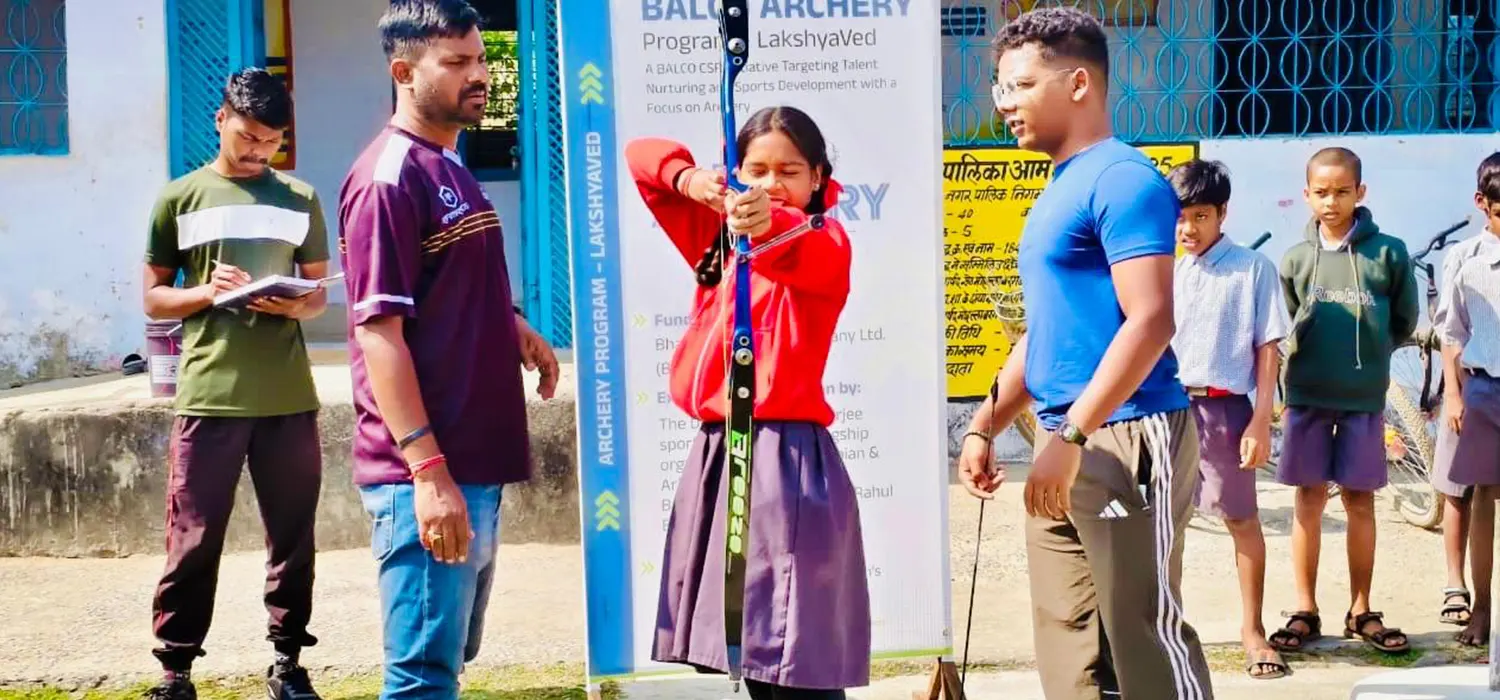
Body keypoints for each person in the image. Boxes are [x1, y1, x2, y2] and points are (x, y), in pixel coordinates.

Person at [957, 8, 1214, 700]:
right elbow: (1046, 332)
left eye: (1021, 85)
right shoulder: (1060, 186)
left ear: (1078, 84)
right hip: (1064, 435)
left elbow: (1151, 319)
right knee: (1068, 640)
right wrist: (984, 424)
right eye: (1000, 86)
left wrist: (1073, 435)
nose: (1004, 102)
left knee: (1141, 634)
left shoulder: (1123, 179)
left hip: (1126, 433)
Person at [337, 1, 559, 697]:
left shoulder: (448, 165)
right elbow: (378, 332)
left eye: (481, 59)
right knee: (421, 678)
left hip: (471, 466)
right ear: (404, 72)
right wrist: (428, 472)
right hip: (427, 475)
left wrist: (510, 323)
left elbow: (443, 287)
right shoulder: (388, 179)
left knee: (447, 662)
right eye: (457, 62)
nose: (480, 75)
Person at [623, 104, 869, 700]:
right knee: (754, 658)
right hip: (721, 452)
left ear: (818, 177)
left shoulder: (823, 238)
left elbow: (785, 236)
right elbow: (641, 157)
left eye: (790, 171)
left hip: (785, 464)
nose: (771, 183)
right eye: (755, 169)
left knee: (793, 658)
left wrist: (762, 214)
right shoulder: (718, 240)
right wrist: (693, 182)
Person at [141, 67, 328, 700]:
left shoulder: (299, 199)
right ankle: (175, 671)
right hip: (209, 394)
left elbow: (317, 295)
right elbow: (154, 298)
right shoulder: (178, 198)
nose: (257, 152)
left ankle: (288, 662)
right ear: (221, 120)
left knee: (293, 536)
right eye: (247, 136)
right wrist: (204, 292)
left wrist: (294, 305)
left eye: (271, 142)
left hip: (287, 396)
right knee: (193, 537)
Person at [1269, 146, 1419, 656]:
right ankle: (1304, 609)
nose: (1331, 202)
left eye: (1341, 191)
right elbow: (1292, 321)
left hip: (1362, 400)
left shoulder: (1389, 254)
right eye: (1321, 192)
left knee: (1359, 501)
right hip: (1307, 396)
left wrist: (1368, 362)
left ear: (1360, 192)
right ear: (1306, 194)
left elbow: (1403, 321)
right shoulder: (1296, 259)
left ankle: (1361, 609)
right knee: (1308, 500)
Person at [1166, 159, 1290, 679]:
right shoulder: (1166, 270)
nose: (1188, 229)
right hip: (1168, 409)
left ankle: (1253, 629)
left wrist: (1260, 420)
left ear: (1222, 213)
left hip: (1225, 411)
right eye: (1180, 217)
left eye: (1200, 216)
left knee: (1240, 518)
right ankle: (1163, 626)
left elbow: (1268, 347)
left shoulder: (1251, 269)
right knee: (1163, 524)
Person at [1429, 166, 1497, 634]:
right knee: (1464, 490)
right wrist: (1453, 394)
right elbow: (1450, 331)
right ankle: (1467, 593)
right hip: (1477, 386)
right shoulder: (1466, 258)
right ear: (1481, 204)